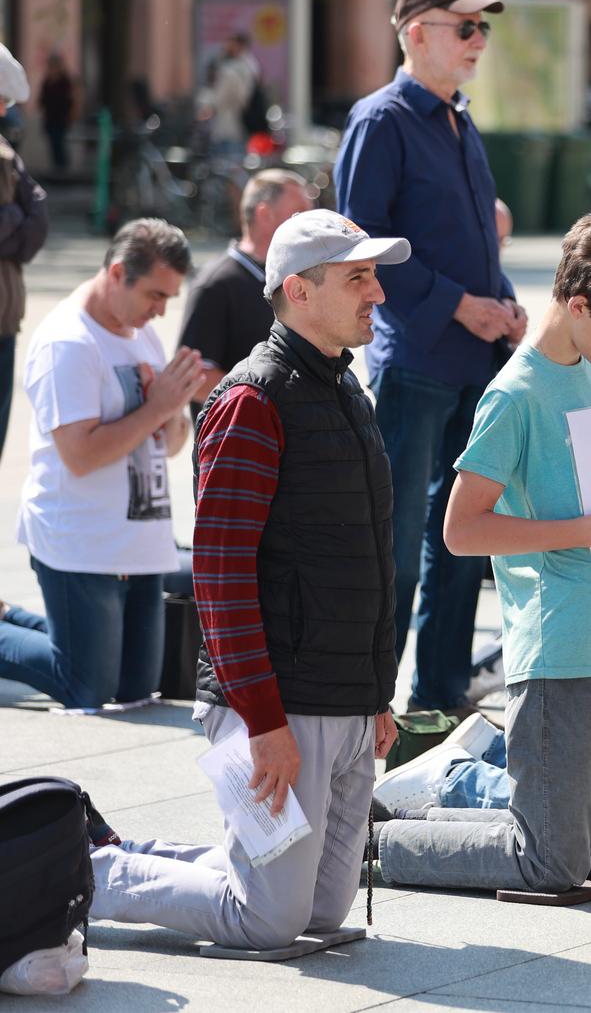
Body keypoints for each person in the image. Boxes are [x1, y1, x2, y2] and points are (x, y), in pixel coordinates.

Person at [372, 213, 591, 893]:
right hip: (564, 647)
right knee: (550, 862)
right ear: (577, 304)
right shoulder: (515, 394)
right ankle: (375, 839)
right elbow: (460, 531)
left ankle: (461, 799)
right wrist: (587, 530)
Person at [86, 209, 407, 951]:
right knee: (265, 918)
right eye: (358, 277)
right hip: (280, 705)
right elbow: (221, 575)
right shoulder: (252, 401)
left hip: (347, 700)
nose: (377, 294)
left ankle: (127, 856)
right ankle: (87, 875)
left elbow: (368, 560)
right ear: (298, 289)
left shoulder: (347, 392)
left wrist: (376, 694)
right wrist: (262, 720)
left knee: (321, 913)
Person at [335, 0, 526, 714]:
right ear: (416, 32)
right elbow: (362, 245)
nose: (480, 40)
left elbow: (476, 241)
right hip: (416, 364)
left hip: (475, 361)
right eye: (466, 26)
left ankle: (439, 697)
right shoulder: (382, 119)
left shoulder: (458, 118)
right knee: (394, 548)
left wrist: (504, 305)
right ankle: (365, 705)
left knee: (461, 539)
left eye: (484, 28)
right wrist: (456, 306)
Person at [0, 220, 201, 711]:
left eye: (169, 298)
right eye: (155, 294)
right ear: (117, 273)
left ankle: (10, 615)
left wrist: (174, 411)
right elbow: (80, 454)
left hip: (141, 543)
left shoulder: (141, 335)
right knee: (85, 685)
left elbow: (170, 444)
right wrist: (156, 408)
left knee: (136, 688)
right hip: (82, 543)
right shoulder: (68, 342)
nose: (161, 310)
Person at [179, 169, 314, 416]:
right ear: (264, 214)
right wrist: (267, 404)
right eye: (298, 213)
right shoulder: (216, 284)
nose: (308, 222)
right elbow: (193, 376)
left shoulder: (293, 279)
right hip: (240, 443)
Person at [0, 44, 47, 462]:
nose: (3, 112)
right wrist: (15, 218)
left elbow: (38, 222)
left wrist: (11, 218)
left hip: (5, 317)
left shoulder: (6, 155)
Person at [207, 33, 257, 163]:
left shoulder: (231, 71)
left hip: (229, 126)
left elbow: (220, 100)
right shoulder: (250, 66)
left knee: (227, 168)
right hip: (241, 124)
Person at [40, 53, 74, 174]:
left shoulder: (65, 81)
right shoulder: (47, 81)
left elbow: (71, 99)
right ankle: (57, 168)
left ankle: (62, 168)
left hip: (61, 117)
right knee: (53, 143)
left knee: (59, 142)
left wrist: (71, 114)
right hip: (50, 117)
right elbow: (42, 99)